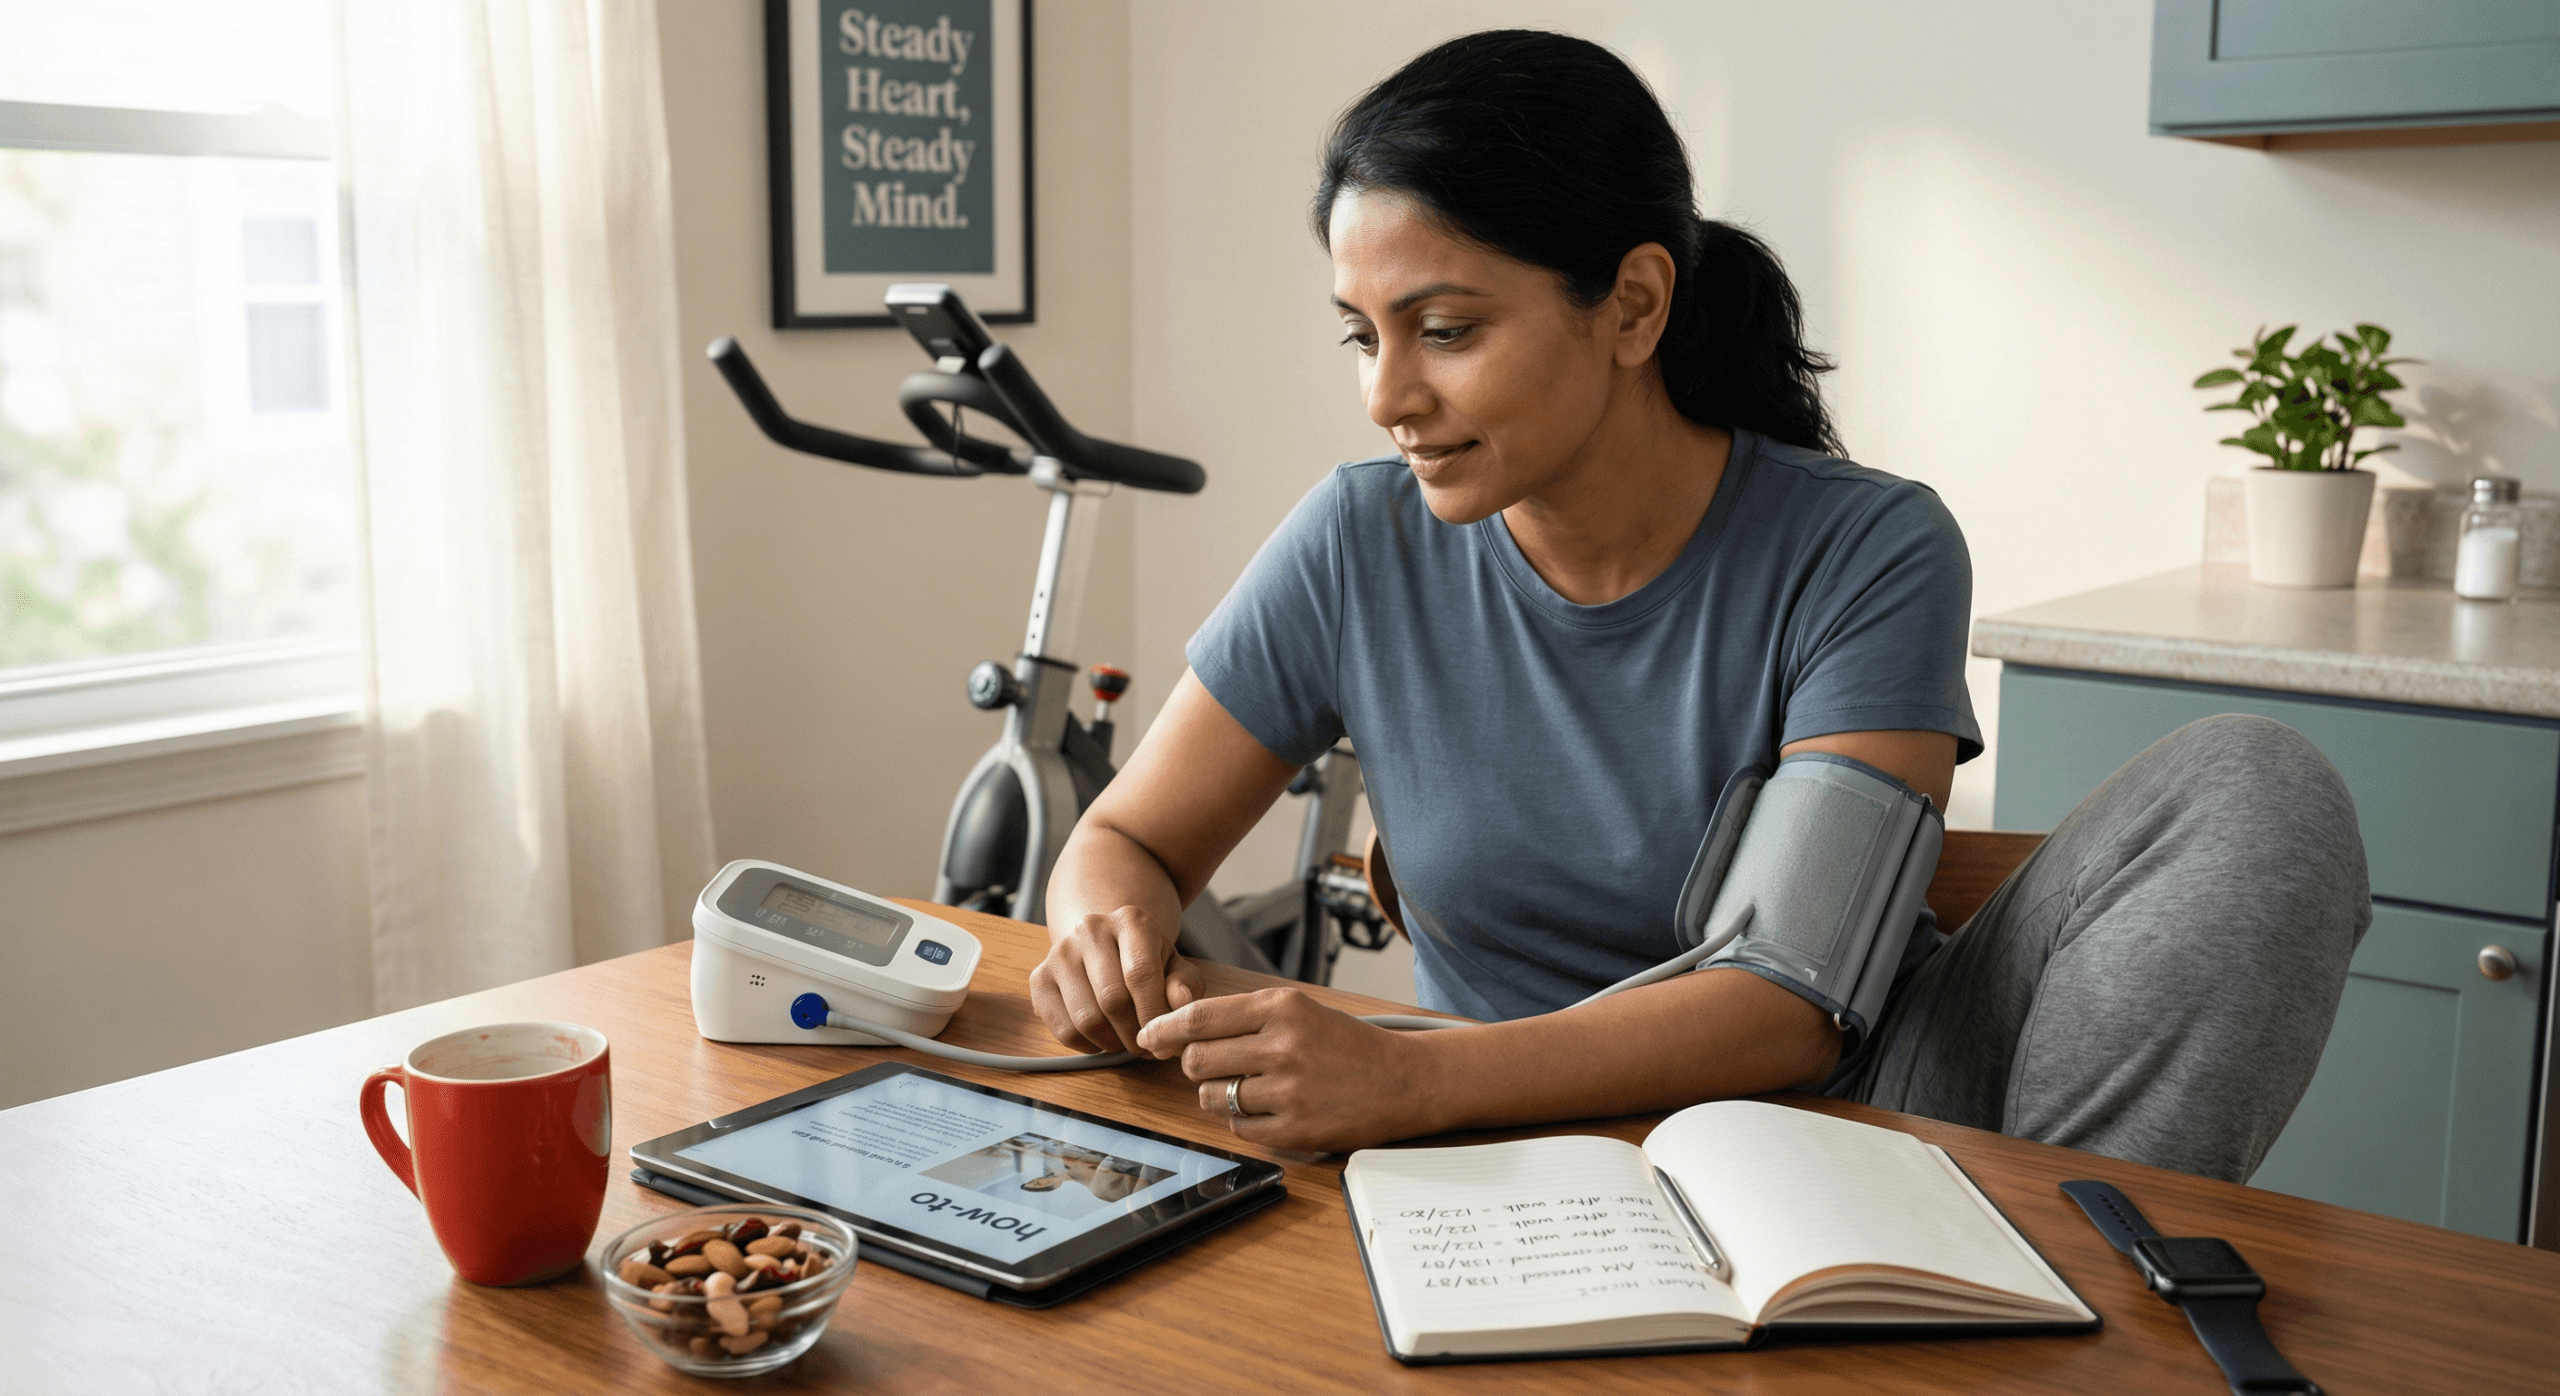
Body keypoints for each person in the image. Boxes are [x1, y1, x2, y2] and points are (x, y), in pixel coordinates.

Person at [1028, 29, 2371, 1183]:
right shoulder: (1352, 542)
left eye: (1443, 330)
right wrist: (1105, 931)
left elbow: (1791, 999)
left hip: (1862, 1120)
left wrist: (1413, 1080)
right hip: (1515, 1166)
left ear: (1633, 306)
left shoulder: (1867, 546)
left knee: (2255, 785)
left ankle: (2072, 1282)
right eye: (1360, 334)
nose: (1387, 396)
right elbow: (1127, 839)